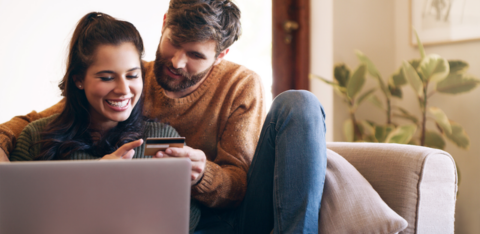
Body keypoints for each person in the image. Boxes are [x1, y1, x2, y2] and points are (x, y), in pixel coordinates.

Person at [0, 0, 327, 233]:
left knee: (300, 104)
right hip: (168, 214)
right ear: (164, 22)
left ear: (221, 55)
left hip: (233, 214)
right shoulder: (131, 79)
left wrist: (202, 175)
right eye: (174, 43)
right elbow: (45, 121)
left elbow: (241, 185)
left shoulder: (241, 85)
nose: (177, 62)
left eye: (196, 55)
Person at [7, 12, 200, 234]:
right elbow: (14, 221)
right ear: (79, 79)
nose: (123, 89)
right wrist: (94, 182)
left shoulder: (162, 139)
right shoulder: (35, 137)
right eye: (107, 77)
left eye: (132, 75)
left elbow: (184, 223)